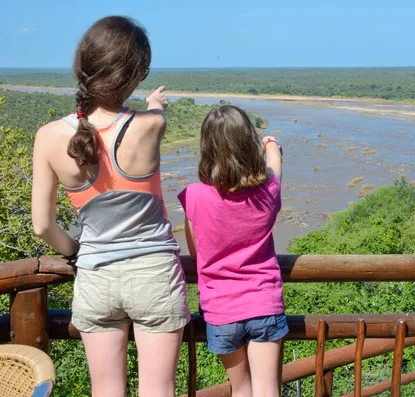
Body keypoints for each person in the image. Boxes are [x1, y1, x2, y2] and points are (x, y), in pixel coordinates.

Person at [31, 16, 190, 397]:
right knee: (158, 390)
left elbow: (42, 226)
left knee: (105, 391)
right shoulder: (151, 125)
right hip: (154, 275)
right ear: (134, 75)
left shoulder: (49, 136)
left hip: (95, 277)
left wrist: (76, 250)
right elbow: (154, 117)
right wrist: (155, 104)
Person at [178, 105, 287, 397]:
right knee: (267, 388)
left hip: (221, 308)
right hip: (264, 301)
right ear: (248, 142)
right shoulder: (268, 191)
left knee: (240, 389)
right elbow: (275, 166)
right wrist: (271, 145)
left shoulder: (194, 196)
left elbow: (196, 254)